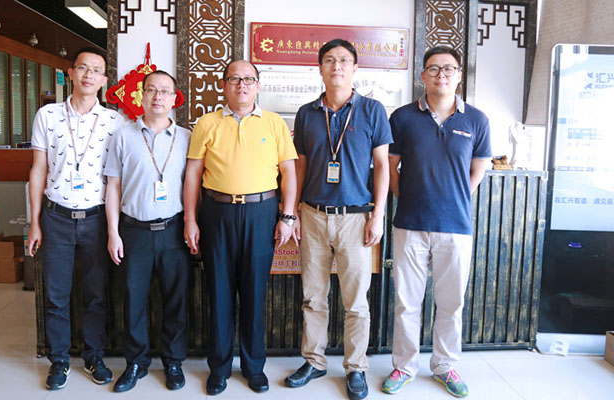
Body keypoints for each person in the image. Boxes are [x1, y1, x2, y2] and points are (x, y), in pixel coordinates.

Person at [284, 38, 392, 400]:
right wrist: (294, 212)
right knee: (313, 297)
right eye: (329, 60)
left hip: (356, 219)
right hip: (313, 215)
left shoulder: (373, 110)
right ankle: (314, 361)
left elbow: (382, 166)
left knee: (356, 302)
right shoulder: (307, 113)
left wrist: (378, 214)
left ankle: (356, 367)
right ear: (320, 68)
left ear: (355, 68)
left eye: (344, 60)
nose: (337, 66)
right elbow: (299, 166)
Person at [182, 60, 298, 396]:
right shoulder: (207, 123)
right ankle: (219, 368)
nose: (242, 85)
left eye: (248, 79)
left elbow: (289, 172)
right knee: (218, 291)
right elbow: (193, 174)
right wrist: (190, 219)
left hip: (262, 213)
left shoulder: (274, 123)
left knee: (255, 292)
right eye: (234, 79)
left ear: (258, 85)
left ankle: (253, 366)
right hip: (216, 211)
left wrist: (287, 216)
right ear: (224, 85)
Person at [382, 46, 491, 398]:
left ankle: (445, 366)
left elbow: (478, 169)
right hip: (409, 223)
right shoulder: (402, 117)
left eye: (448, 69)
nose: (441, 74)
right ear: (422, 75)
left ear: (459, 75)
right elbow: (390, 167)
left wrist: (455, 195)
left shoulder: (476, 120)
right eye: (433, 68)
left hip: (456, 225)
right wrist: (406, 196)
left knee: (451, 303)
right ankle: (404, 366)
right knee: (407, 303)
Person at [28, 46, 123, 390]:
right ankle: (59, 360)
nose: (88, 75)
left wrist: (113, 229)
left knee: (96, 294)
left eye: (95, 70)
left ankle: (94, 356)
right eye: (82, 68)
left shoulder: (115, 122)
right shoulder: (48, 115)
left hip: (96, 219)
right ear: (70, 73)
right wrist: (34, 222)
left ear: (104, 80)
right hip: (56, 217)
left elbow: (116, 180)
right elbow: (38, 170)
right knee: (56, 294)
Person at [104, 70, 191, 392]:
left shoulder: (187, 138)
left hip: (174, 230)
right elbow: (113, 186)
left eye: (165, 91)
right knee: (133, 299)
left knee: (175, 300)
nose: (158, 96)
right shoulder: (123, 136)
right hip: (134, 231)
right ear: (141, 95)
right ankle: (136, 362)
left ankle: (173, 361)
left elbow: (194, 186)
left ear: (174, 98)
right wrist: (113, 233)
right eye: (151, 90)